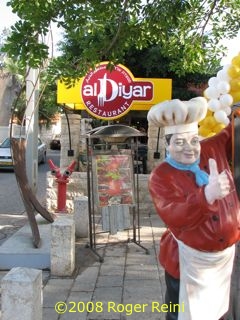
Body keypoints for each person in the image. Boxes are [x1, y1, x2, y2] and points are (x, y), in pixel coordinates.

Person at [147, 97, 240, 320]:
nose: (189, 148)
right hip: (187, 262)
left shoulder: (210, 149)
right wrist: (208, 194)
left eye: (193, 140)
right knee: (182, 313)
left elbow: (232, 133)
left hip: (222, 261)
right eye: (179, 142)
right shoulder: (160, 177)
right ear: (167, 145)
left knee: (219, 311)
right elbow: (176, 216)